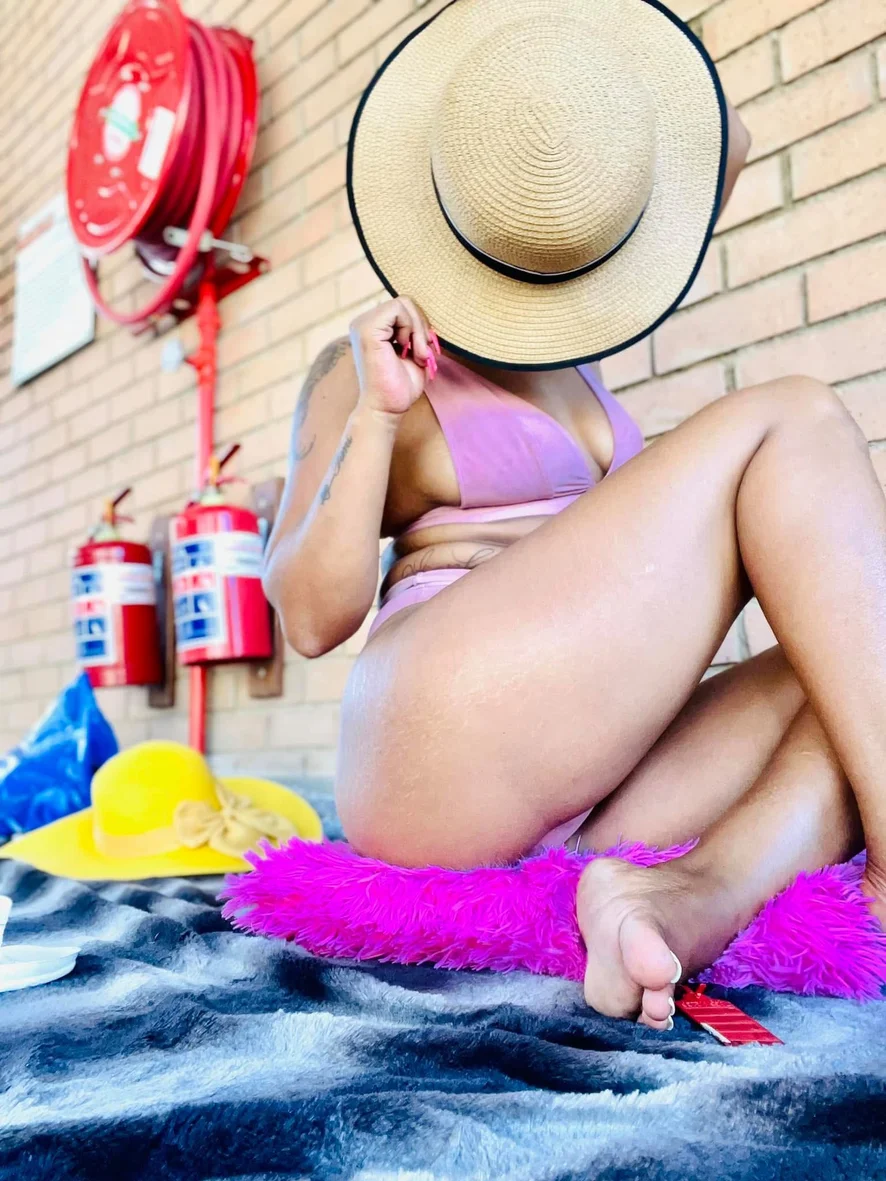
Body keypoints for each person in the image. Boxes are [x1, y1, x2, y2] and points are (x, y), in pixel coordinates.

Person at [265, 0, 883, 1033]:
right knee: (797, 419)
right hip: (443, 737)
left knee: (860, 654)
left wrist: (599, 72)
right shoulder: (371, 358)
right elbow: (309, 614)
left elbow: (720, 138)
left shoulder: (576, 354)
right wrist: (376, 414)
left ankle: (689, 897)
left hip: (596, 773)